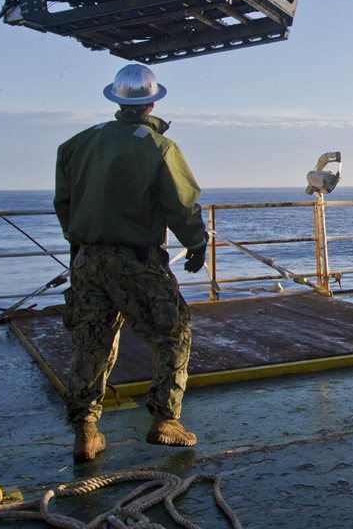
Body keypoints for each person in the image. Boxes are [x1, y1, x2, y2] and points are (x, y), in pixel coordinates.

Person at [55, 63, 209, 463]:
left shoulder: (78, 144)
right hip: (136, 260)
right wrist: (196, 244)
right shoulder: (159, 148)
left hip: (86, 259)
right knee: (173, 331)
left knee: (92, 341)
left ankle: (86, 433)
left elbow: (64, 204)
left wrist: (80, 242)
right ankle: (165, 420)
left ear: (116, 99)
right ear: (152, 102)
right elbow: (181, 204)